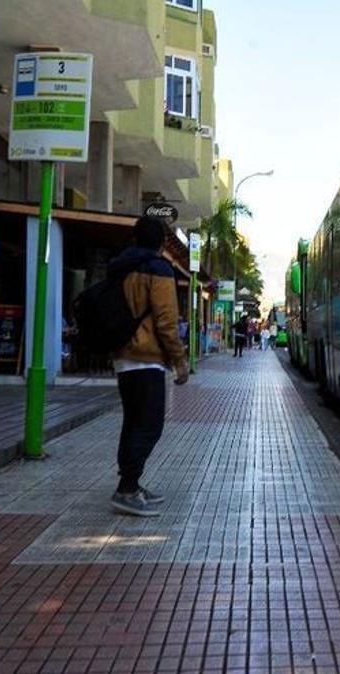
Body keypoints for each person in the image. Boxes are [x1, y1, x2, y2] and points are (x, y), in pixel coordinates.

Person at [107, 217, 189, 518]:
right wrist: (179, 361)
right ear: (162, 242)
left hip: (123, 356)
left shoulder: (119, 267)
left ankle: (131, 483)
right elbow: (166, 321)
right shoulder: (158, 269)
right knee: (150, 426)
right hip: (147, 358)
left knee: (132, 423)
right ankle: (127, 489)